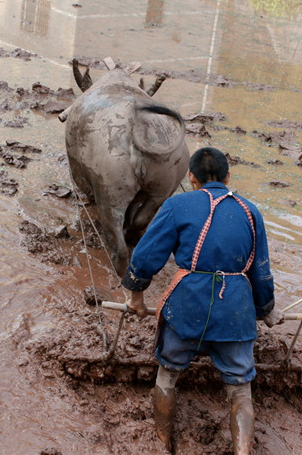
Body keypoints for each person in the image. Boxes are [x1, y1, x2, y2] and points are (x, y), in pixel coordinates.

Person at [121, 147, 283, 454]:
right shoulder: (250, 211)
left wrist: (136, 299)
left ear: (191, 177)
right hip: (234, 311)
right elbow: (261, 272)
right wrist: (266, 310)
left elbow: (144, 257)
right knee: (240, 390)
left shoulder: (177, 205)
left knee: (167, 375)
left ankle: (162, 445)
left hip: (186, 307)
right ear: (228, 177)